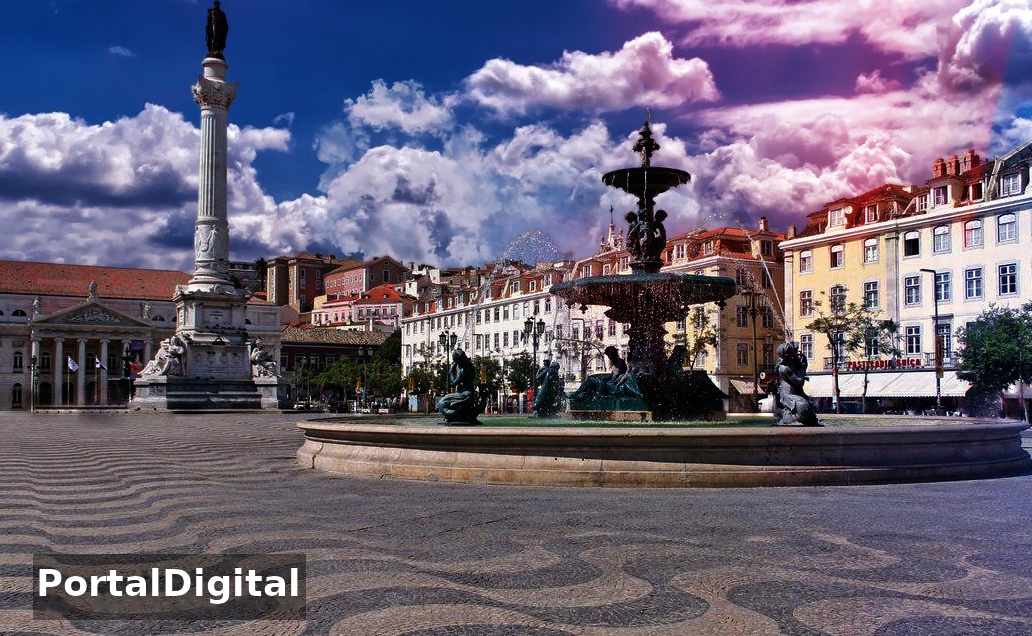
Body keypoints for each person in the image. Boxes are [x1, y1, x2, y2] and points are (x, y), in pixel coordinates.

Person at [774, 341, 820, 426]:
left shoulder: (792, 362)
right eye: (794, 351)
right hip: (788, 394)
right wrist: (803, 367)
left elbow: (800, 379)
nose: (796, 353)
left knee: (813, 405)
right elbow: (799, 381)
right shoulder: (784, 368)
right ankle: (787, 415)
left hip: (797, 392)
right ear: (788, 354)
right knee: (803, 407)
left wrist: (802, 363)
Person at [436, 349, 483, 424]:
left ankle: (453, 415)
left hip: (465, 395)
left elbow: (454, 382)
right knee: (444, 402)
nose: (454, 361)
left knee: (442, 402)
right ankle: (454, 416)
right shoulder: (466, 365)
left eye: (454, 360)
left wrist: (451, 371)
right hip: (467, 393)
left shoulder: (463, 369)